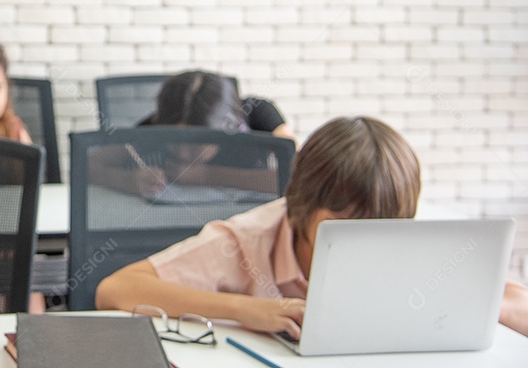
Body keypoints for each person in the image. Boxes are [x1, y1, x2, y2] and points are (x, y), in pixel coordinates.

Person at [95, 116, 528, 339]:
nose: (365, 246)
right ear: (301, 208)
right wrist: (250, 310)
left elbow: (512, 302)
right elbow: (116, 289)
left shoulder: (412, 240)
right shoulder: (248, 240)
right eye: (342, 229)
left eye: (382, 230)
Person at [141, 70, 294, 140]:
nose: (183, 154)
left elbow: (296, 166)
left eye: (196, 143)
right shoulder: (156, 125)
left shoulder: (257, 112)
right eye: (177, 140)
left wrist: (203, 175)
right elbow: (117, 159)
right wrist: (133, 179)